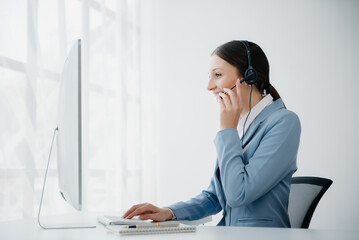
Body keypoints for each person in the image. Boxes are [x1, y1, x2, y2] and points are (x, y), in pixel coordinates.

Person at [122, 40, 301, 228]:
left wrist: (227, 130)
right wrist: (169, 212)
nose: (209, 86)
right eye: (209, 76)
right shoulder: (241, 126)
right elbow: (215, 196)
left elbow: (238, 195)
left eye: (217, 75)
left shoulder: (283, 122)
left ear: (249, 76)